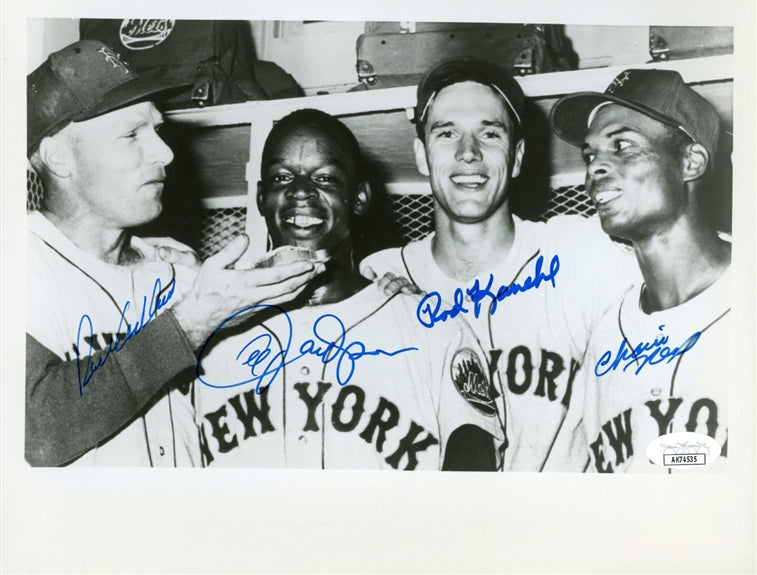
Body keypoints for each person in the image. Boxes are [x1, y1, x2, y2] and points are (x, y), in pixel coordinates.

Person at [26, 40, 325, 467]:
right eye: (131, 134)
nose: (165, 153)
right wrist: (193, 321)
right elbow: (37, 432)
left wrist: (385, 279)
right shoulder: (22, 261)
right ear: (59, 157)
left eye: (157, 130)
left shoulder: (170, 268)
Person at [361, 57, 638, 471]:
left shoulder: (580, 251)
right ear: (421, 155)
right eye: (447, 132)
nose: (468, 153)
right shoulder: (376, 278)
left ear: (518, 156)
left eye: (489, 134)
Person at [195, 108, 503, 470]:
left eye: (325, 179)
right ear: (262, 198)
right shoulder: (210, 332)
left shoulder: (432, 328)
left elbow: (474, 468)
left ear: (358, 198)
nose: (300, 192)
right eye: (281, 177)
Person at [547, 69, 731, 472]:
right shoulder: (606, 337)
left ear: (691, 161)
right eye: (590, 154)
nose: (594, 168)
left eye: (623, 145)